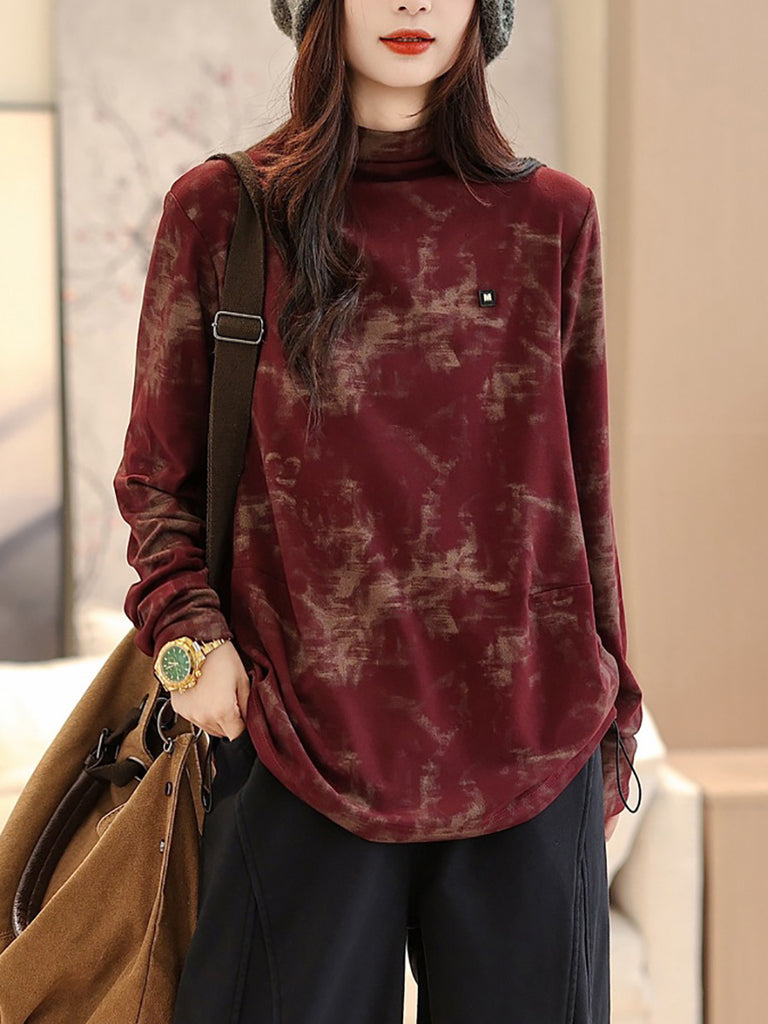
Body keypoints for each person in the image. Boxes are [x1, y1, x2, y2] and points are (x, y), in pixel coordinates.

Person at [113, 0, 644, 1021]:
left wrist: (613, 719)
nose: (413, 4)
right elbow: (154, 478)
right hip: (297, 745)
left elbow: (583, 496)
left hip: (533, 748)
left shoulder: (553, 218)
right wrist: (191, 646)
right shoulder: (222, 213)